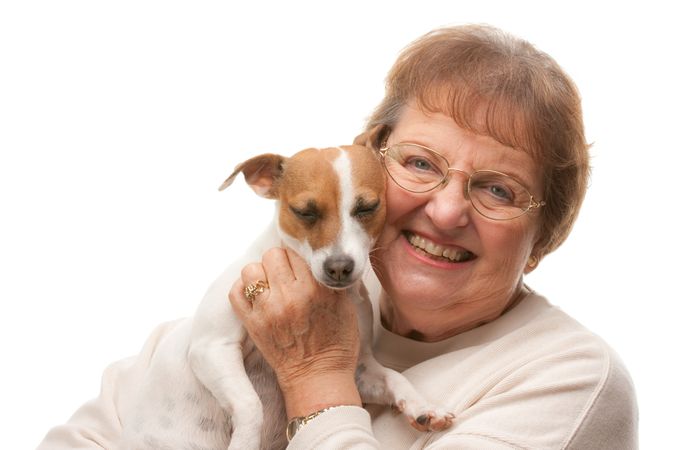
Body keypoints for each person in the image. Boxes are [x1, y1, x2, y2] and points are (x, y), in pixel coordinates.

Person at [37, 24, 638, 449]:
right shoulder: (263, 302)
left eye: (498, 190)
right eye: (422, 163)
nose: (448, 210)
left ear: (546, 235)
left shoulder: (574, 381)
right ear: (366, 168)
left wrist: (316, 374)